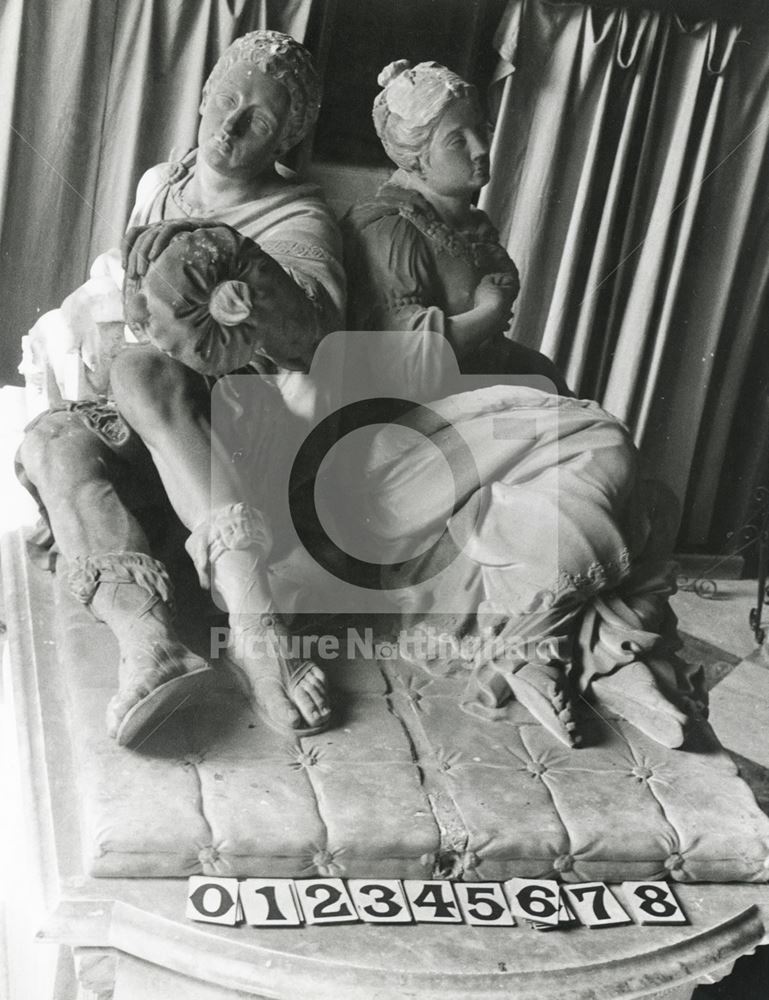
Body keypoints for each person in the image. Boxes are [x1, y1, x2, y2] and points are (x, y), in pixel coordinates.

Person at [340, 60, 704, 749]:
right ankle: (539, 642)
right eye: (458, 141)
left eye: (482, 132)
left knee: (644, 500)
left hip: (477, 426)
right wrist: (486, 313)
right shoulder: (385, 227)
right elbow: (396, 365)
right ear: (414, 154)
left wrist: (538, 382)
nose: (481, 151)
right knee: (601, 444)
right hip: (401, 447)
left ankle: (612, 654)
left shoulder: (464, 223)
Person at [17, 30, 345, 748]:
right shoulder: (161, 183)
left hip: (238, 435)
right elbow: (132, 301)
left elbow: (314, 342)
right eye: (225, 99)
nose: (229, 124)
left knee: (139, 370)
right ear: (202, 97)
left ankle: (257, 626)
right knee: (48, 440)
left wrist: (251, 290)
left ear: (286, 135)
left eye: (256, 117)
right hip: (145, 419)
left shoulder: (298, 218)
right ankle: (151, 645)